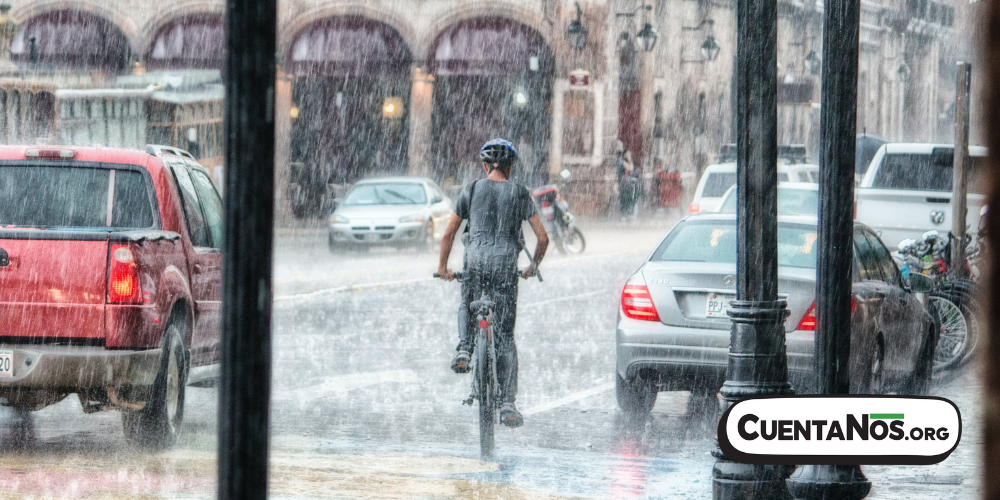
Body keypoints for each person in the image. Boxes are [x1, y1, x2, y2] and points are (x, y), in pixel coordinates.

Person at [436, 138, 549, 428]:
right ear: (511, 167)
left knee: (467, 301)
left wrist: (443, 267)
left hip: (474, 263)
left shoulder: (471, 189)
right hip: (505, 267)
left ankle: (464, 348)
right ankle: (508, 403)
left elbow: (449, 234)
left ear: (485, 165)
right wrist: (532, 266)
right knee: (506, 337)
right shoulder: (521, 194)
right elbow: (543, 237)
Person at [616, 140, 639, 219]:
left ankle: (630, 214)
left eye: (630, 154)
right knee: (624, 200)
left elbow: (633, 170)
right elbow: (630, 168)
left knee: (631, 200)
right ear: (625, 155)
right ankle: (624, 215)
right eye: (628, 154)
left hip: (630, 186)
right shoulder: (622, 163)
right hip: (624, 186)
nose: (629, 155)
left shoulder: (629, 163)